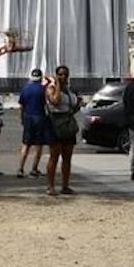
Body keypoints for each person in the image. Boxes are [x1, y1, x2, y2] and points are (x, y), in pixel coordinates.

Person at [44, 66, 81, 196]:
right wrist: (58, 85)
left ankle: (65, 185)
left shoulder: (70, 91)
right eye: (60, 74)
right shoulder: (51, 88)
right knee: (54, 156)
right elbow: (55, 101)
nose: (63, 77)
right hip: (55, 123)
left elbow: (74, 107)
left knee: (67, 157)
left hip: (67, 122)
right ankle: (50, 186)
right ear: (56, 75)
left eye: (65, 74)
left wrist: (77, 105)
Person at [16, 68, 49, 178]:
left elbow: (21, 106)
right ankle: (34, 169)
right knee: (38, 145)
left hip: (28, 117)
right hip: (39, 117)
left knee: (26, 144)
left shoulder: (25, 89)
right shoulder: (43, 89)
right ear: (40, 78)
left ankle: (20, 168)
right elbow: (47, 105)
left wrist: (22, 119)